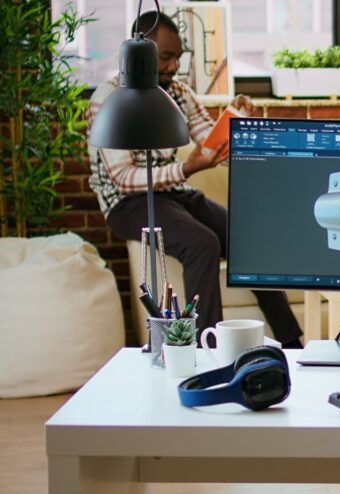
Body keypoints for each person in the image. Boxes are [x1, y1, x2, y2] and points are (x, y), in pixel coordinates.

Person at [87, 11, 302, 347]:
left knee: (250, 236)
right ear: (141, 52)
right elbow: (124, 180)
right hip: (128, 203)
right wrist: (187, 169)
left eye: (178, 57)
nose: (174, 66)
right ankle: (208, 349)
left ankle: (291, 344)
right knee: (202, 243)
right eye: (167, 57)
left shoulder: (178, 93)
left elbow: (212, 144)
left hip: (174, 192)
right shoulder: (109, 99)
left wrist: (242, 129)